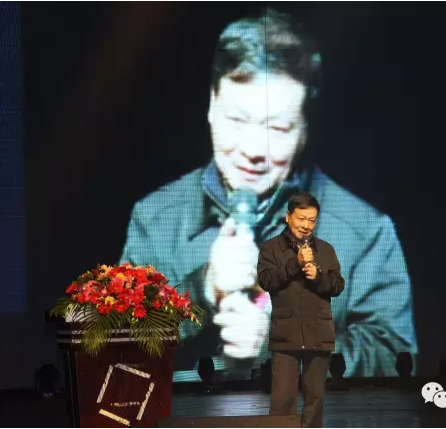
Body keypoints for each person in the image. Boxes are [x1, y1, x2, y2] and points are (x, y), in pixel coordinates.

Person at [119, 7, 417, 381]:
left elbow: (395, 359)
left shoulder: (364, 232)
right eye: (237, 120)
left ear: (305, 129)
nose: (253, 149)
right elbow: (119, 356)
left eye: (277, 128)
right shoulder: (155, 218)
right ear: (211, 106)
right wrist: (202, 289)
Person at [258, 192, 343, 428]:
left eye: (312, 220)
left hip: (319, 333)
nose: (306, 225)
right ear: (288, 217)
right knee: (282, 400)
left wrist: (319, 277)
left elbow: (337, 285)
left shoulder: (325, 250)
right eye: (301, 218)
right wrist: (296, 262)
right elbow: (266, 281)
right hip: (286, 334)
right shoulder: (270, 248)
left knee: (315, 399)